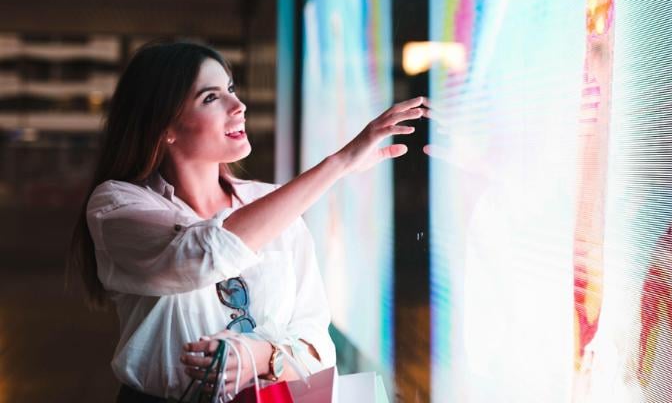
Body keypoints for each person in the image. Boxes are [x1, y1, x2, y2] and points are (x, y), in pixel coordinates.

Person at [68, 40, 429, 402]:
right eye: (211, 98)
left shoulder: (271, 204)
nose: (238, 106)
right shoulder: (115, 205)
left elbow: (319, 346)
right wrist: (338, 164)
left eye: (231, 89)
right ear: (165, 127)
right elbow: (202, 254)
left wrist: (259, 357)